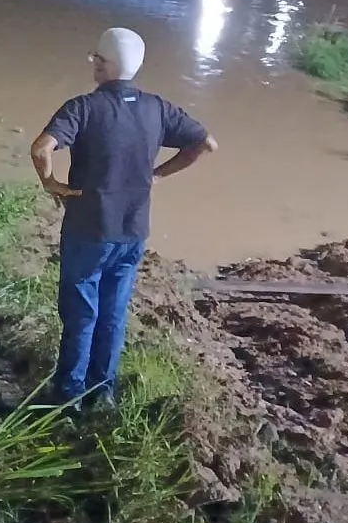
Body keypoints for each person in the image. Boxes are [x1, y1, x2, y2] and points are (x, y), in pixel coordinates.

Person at [30, 27, 217, 411]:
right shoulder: (157, 108)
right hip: (133, 231)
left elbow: (40, 149)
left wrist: (51, 183)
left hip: (88, 230)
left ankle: (68, 396)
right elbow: (206, 143)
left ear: (102, 64)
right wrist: (158, 175)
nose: (94, 64)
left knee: (81, 314)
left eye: (96, 59)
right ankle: (103, 392)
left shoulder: (83, 108)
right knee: (113, 313)